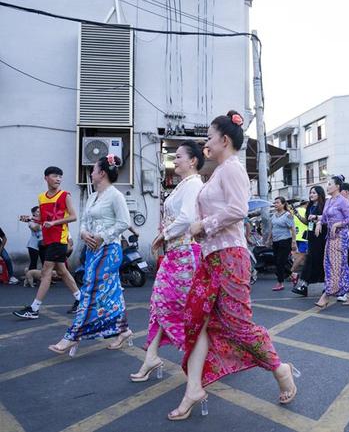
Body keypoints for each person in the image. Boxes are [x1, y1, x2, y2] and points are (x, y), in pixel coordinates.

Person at [170, 111, 298, 421]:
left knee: (239, 325)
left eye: (209, 138)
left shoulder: (233, 169)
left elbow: (239, 210)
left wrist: (204, 224)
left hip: (230, 256)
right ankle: (194, 388)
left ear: (224, 140)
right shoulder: (217, 172)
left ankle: (279, 368)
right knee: (196, 320)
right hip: (210, 257)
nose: (206, 144)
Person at [130, 141, 204, 383]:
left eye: (179, 156)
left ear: (193, 161)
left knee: (188, 309)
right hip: (175, 254)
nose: (175, 160)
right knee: (160, 304)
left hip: (186, 253)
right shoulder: (182, 185)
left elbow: (188, 217)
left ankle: (211, 352)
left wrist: (165, 233)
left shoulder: (194, 183)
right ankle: (151, 355)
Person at [47, 155, 133, 355]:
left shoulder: (115, 195)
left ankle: (72, 335)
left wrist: (102, 236)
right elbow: (84, 221)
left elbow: (123, 222)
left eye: (94, 169)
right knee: (112, 292)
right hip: (93, 250)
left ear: (102, 173)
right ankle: (123, 330)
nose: (91, 172)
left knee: (91, 291)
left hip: (109, 250)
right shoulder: (93, 196)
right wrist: (84, 233)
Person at [14, 166, 81, 320]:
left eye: (60, 176)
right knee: (63, 272)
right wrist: (31, 219)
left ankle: (34, 308)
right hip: (48, 240)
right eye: (55, 176)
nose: (58, 179)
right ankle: (80, 299)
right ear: (46, 178)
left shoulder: (65, 195)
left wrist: (55, 223)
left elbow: (73, 217)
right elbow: (43, 221)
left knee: (46, 272)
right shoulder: (42, 198)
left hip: (59, 239)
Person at [314, 175, 349, 307]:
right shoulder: (328, 201)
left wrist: (337, 224)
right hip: (330, 237)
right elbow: (325, 218)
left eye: (329, 184)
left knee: (334, 266)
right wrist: (319, 223)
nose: (327, 186)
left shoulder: (343, 201)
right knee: (333, 264)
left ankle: (326, 295)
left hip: (341, 236)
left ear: (337, 186)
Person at [291, 186, 327, 297]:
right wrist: (297, 214)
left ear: (320, 194)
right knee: (311, 260)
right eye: (310, 193)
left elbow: (327, 219)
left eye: (314, 193)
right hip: (311, 237)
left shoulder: (324, 206)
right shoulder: (310, 206)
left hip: (321, 237)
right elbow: (307, 222)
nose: (311, 195)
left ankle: (325, 286)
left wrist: (317, 220)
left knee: (321, 261)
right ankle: (304, 286)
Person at [269, 196, 297, 291]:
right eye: (275, 203)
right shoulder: (274, 215)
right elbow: (272, 228)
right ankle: (293, 274)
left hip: (285, 241)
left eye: (277, 202)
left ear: (283, 204)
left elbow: (292, 229)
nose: (275, 204)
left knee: (280, 262)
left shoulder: (288, 215)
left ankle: (280, 283)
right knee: (277, 262)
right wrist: (269, 239)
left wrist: (294, 242)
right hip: (275, 241)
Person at [289, 204, 308, 286]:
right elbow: (307, 222)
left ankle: (295, 273)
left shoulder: (293, 211)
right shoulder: (305, 211)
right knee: (301, 256)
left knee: (298, 256)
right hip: (304, 236)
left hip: (294, 236)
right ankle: (292, 272)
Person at [22, 206, 44, 272]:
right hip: (33, 245)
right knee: (33, 262)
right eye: (37, 211)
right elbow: (35, 229)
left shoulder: (44, 220)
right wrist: (40, 221)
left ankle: (46, 278)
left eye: (40, 211)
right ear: (33, 213)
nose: (39, 213)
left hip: (43, 244)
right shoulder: (30, 221)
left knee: (45, 262)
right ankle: (31, 279)